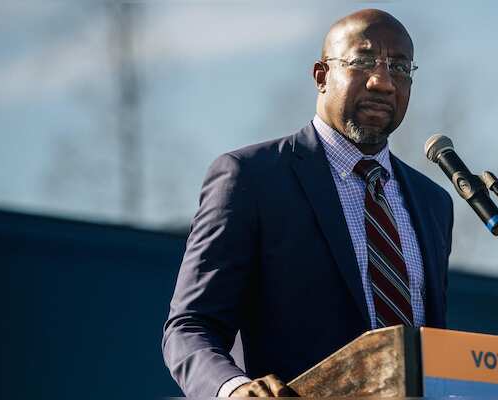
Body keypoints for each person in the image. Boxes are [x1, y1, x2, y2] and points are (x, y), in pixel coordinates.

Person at [162, 8, 454, 398]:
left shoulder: (433, 202)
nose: (383, 82)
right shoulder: (251, 178)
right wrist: (233, 389)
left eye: (400, 68)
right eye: (363, 61)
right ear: (321, 76)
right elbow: (190, 327)